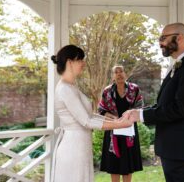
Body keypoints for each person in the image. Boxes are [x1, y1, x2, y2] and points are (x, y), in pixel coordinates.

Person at [125, 23, 184, 182]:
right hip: (173, 145)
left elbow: (180, 108)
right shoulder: (180, 65)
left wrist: (141, 115)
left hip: (179, 146)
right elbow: (166, 104)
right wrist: (139, 112)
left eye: (163, 38)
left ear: (180, 38)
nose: (160, 42)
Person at [50, 45, 133, 182]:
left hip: (80, 145)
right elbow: (87, 121)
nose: (83, 63)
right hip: (73, 147)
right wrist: (120, 125)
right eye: (80, 60)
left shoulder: (71, 87)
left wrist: (116, 121)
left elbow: (90, 115)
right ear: (70, 62)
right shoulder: (65, 89)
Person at [98, 65, 143, 182]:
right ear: (113, 76)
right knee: (114, 164)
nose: (119, 74)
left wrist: (128, 117)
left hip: (129, 130)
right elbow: (101, 110)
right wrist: (114, 118)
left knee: (128, 163)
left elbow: (140, 106)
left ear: (125, 74)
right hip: (113, 129)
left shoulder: (134, 89)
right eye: (116, 72)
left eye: (121, 71)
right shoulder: (107, 91)